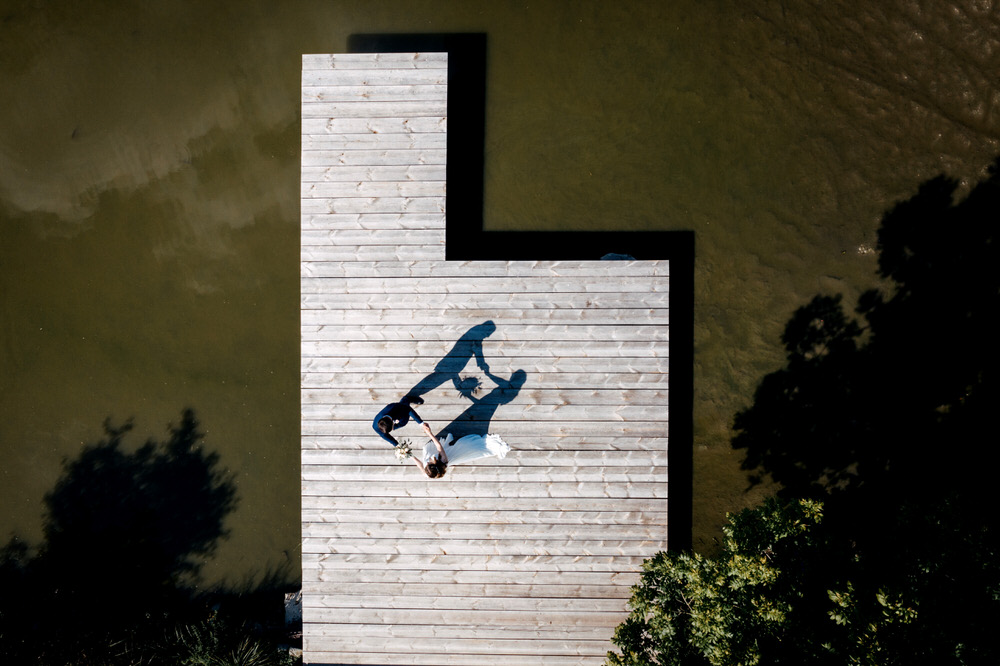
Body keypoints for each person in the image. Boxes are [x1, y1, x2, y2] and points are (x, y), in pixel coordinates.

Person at [418, 431, 510, 478]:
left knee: (441, 448)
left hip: (439, 454)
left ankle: (448, 443)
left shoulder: (428, 473)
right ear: (433, 464)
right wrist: (429, 433)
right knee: (466, 445)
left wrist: (409, 455)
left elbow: (420, 466)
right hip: (452, 454)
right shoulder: (443, 460)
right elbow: (438, 446)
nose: (427, 463)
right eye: (429, 464)